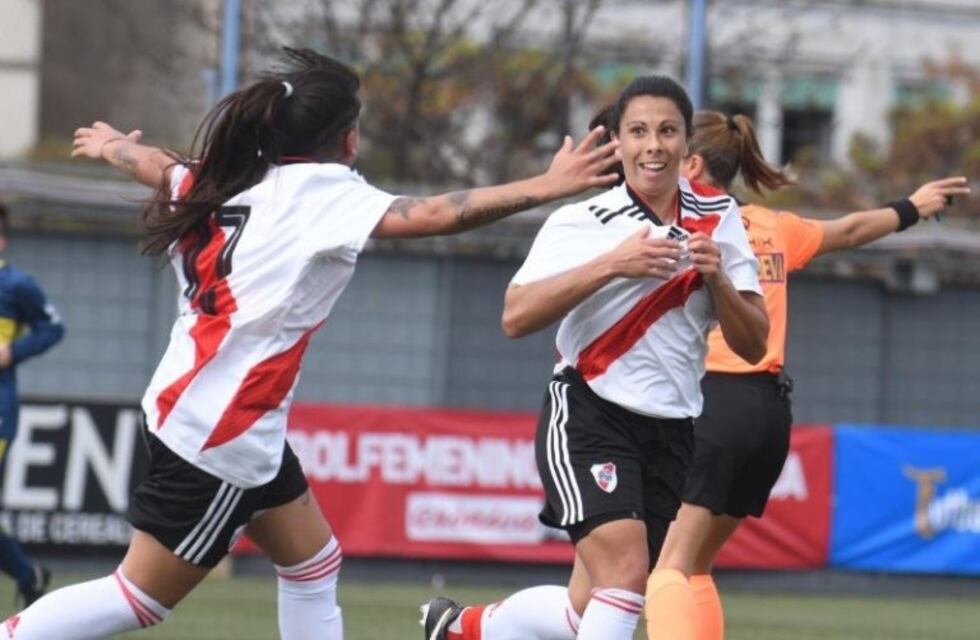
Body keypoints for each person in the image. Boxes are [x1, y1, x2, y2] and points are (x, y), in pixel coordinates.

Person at [4, 48, 620, 639]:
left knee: (313, 562)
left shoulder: (224, 180)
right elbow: (433, 214)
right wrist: (545, 186)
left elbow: (163, 168)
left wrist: (113, 146)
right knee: (138, 597)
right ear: (347, 139)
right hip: (223, 436)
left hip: (198, 412)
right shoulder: (322, 191)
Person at [421, 76, 768, 640]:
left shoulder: (721, 217)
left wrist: (719, 278)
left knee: (587, 607)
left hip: (673, 428)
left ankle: (463, 629)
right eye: (638, 132)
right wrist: (613, 264)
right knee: (627, 580)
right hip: (588, 411)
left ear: (687, 147)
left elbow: (753, 342)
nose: (652, 145)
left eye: (666, 131)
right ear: (619, 142)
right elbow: (515, 316)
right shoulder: (583, 221)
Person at [649, 110, 970, 640]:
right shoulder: (775, 228)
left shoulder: (683, 227)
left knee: (667, 566)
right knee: (697, 567)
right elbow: (849, 230)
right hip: (768, 413)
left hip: (714, 402)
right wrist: (912, 207)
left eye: (672, 150)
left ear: (695, 162)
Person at [0, 204, 64, 607]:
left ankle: (29, 574)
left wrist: (14, 351)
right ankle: (29, 574)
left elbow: (54, 327)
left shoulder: (17, 285)